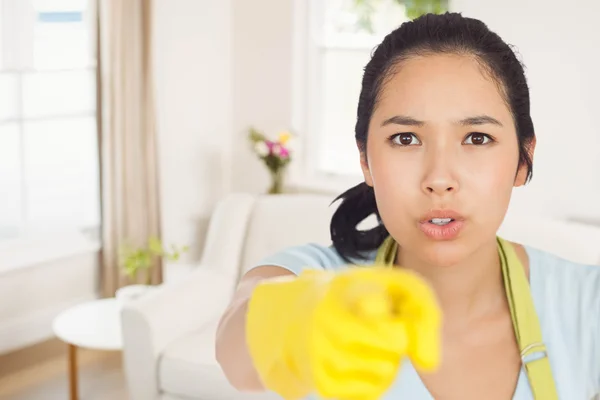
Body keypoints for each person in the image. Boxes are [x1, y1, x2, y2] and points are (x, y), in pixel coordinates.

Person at [215, 12, 600, 400]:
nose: (438, 178)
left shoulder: (586, 304)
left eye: (477, 138)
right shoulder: (312, 279)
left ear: (523, 158)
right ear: (365, 160)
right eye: (405, 139)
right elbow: (235, 346)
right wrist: (299, 325)